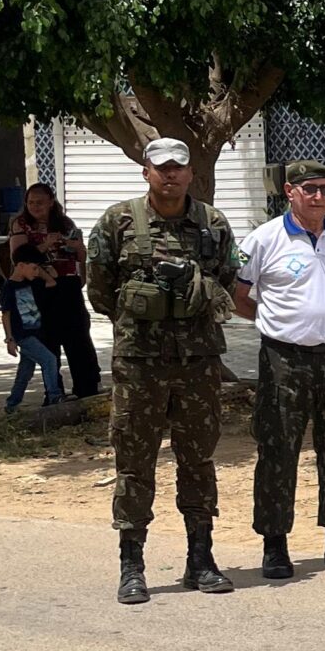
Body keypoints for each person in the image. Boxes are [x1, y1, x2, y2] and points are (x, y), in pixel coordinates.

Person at [85, 137, 242, 606]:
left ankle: (201, 558)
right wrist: (144, 312)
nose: (170, 175)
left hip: (198, 364)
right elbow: (100, 290)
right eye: (161, 168)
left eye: (178, 167)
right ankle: (132, 565)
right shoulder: (118, 221)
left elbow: (229, 279)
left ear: (190, 174)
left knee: (198, 459)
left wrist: (195, 289)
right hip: (139, 366)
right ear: (146, 172)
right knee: (134, 463)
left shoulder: (213, 223)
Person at [233, 159, 325, 580]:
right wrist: (273, 321)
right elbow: (238, 293)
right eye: (309, 189)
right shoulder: (263, 238)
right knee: (278, 451)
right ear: (290, 192)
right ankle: (275, 544)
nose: (318, 197)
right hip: (284, 359)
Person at [8, 183, 100, 397]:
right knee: (47, 339)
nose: (35, 207)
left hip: (68, 286)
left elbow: (81, 255)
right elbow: (19, 258)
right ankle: (54, 392)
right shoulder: (21, 224)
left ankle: (87, 388)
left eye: (40, 202)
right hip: (38, 287)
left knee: (78, 337)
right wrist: (45, 246)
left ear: (51, 202)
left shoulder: (64, 223)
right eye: (31, 203)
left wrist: (79, 251)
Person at [0, 249, 65, 414]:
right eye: (34, 268)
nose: (37, 272)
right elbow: (5, 315)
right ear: (20, 265)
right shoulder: (9, 287)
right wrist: (10, 339)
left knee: (25, 372)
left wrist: (42, 271)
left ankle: (12, 404)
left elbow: (51, 282)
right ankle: (54, 396)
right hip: (23, 335)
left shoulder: (32, 283)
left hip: (36, 333)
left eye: (38, 269)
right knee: (49, 360)